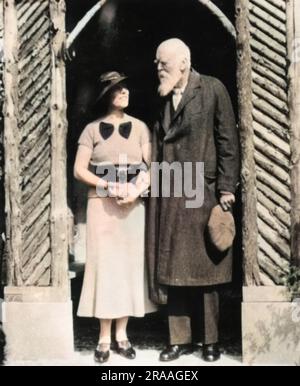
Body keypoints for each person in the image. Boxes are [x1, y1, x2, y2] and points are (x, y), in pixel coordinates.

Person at [147, 39, 240, 362]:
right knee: (174, 267)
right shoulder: (161, 99)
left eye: (164, 63)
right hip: (171, 193)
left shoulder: (213, 89)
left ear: (184, 62)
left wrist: (227, 187)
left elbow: (228, 139)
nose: (159, 69)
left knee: (206, 269)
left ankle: (209, 340)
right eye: (157, 63)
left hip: (203, 191)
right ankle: (179, 340)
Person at [74, 71, 156, 364]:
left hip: (133, 206)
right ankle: (103, 338)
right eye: (118, 89)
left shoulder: (141, 128)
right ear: (106, 96)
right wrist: (107, 184)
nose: (125, 93)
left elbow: (151, 166)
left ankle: (123, 335)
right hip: (102, 206)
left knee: (127, 269)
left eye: (126, 89)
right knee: (105, 269)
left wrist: (136, 191)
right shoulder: (92, 130)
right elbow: (79, 169)